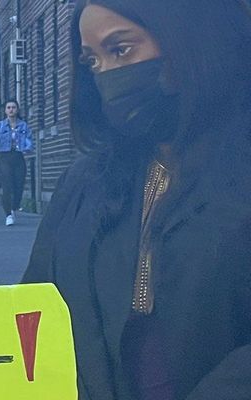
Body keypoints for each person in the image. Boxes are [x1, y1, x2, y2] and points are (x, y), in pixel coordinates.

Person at [24, 1, 251, 398]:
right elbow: (32, 310)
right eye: (92, 61)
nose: (108, 75)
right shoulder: (84, 184)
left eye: (121, 49)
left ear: (189, 42)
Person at [0, 100, 32, 227]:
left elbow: (29, 140)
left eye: (13, 107)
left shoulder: (23, 126)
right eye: (8, 107)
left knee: (19, 185)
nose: (11, 110)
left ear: (17, 110)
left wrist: (27, 147)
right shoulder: (0, 127)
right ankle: (8, 214)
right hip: (4, 157)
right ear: (5, 110)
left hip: (18, 156)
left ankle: (15, 205)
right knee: (7, 186)